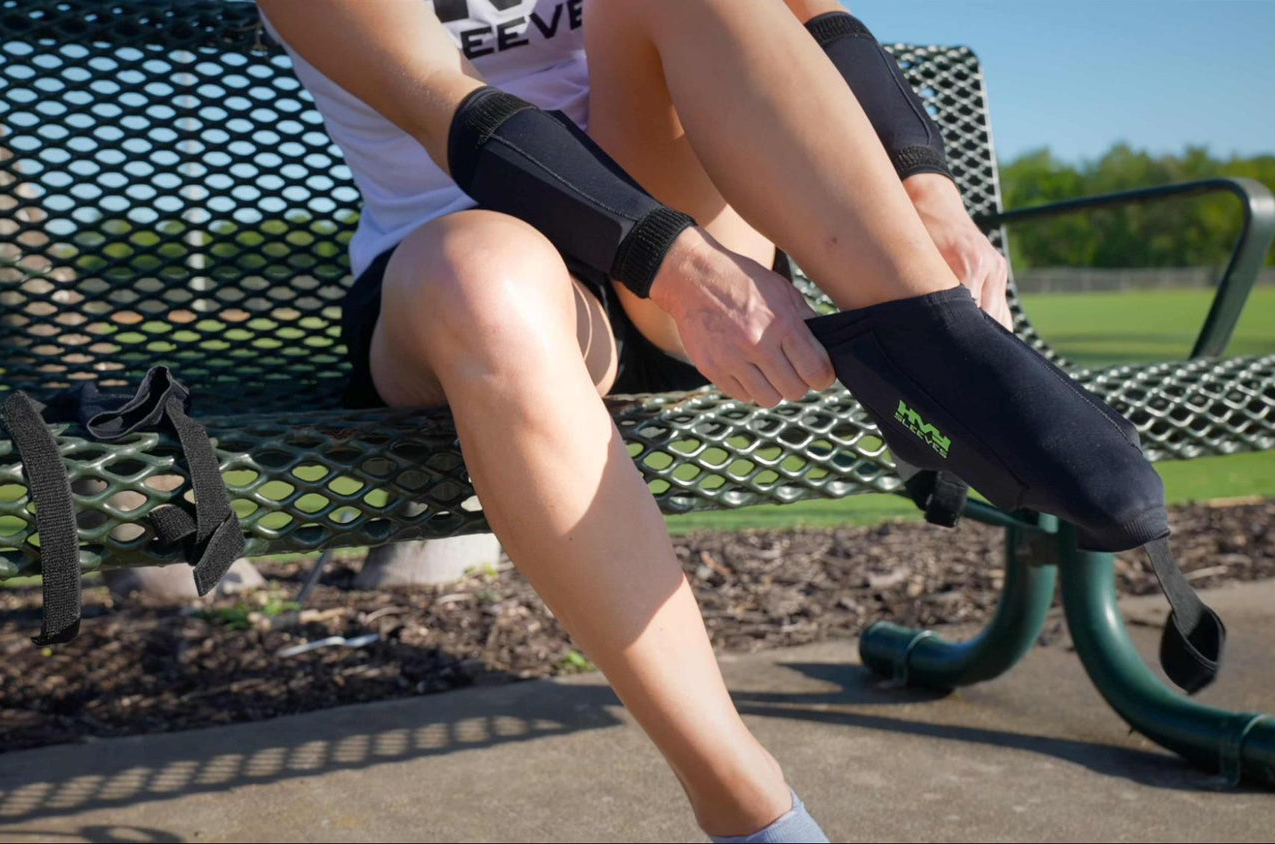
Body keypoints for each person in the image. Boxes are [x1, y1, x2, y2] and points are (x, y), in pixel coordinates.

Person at [254, 1, 1012, 840]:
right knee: (483, 279)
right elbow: (455, 110)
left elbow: (813, 19)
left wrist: (926, 191)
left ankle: (940, 344)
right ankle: (747, 804)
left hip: (687, 252)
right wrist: (683, 271)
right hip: (468, 269)